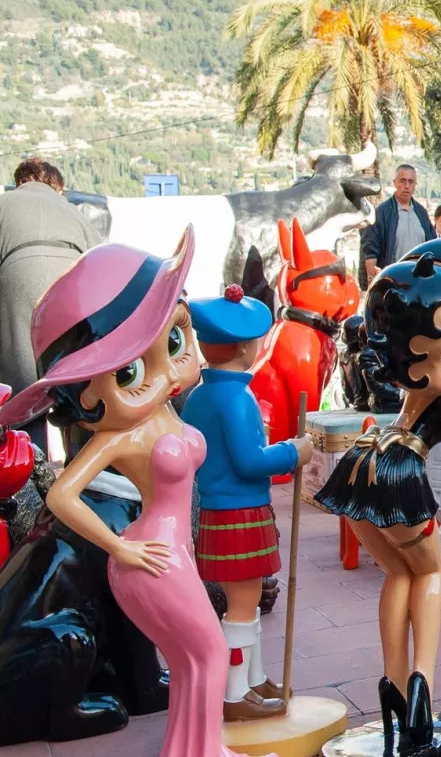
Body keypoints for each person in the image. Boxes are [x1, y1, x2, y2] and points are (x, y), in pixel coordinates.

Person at [0, 226, 239, 757]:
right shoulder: (123, 433)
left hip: (165, 550)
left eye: (173, 341)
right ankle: (208, 750)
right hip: (150, 554)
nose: (160, 379)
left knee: (191, 659)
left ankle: (187, 749)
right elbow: (62, 495)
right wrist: (121, 546)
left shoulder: (162, 412)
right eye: (130, 370)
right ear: (86, 394)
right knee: (210, 654)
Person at [314, 231, 441, 753]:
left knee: (397, 574)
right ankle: (422, 688)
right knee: (428, 572)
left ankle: (392, 685)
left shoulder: (405, 376)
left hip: (365, 461)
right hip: (402, 471)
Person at [183, 285, 313, 721]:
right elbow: (247, 460)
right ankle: (235, 693)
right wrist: (294, 452)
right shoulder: (234, 398)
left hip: (225, 509)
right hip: (236, 508)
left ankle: (254, 679)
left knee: (251, 600)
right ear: (244, 347)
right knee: (241, 605)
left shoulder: (199, 397)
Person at [0, 158, 99, 451]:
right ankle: (83, 470)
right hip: (71, 285)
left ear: (21, 182)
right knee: (77, 383)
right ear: (57, 187)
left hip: (16, 283)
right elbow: (101, 258)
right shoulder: (73, 211)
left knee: (23, 389)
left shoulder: (4, 203)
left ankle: (29, 469)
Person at [362, 164, 431, 285]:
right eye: (403, 181)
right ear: (395, 183)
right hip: (393, 282)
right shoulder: (382, 212)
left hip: (420, 283)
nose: (407, 186)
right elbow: (370, 250)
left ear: (415, 185)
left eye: (411, 181)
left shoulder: (422, 213)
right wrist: (372, 282)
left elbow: (432, 245)